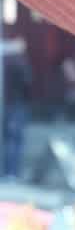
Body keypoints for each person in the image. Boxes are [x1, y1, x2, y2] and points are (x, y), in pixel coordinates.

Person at [2, 36, 32, 180]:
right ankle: (12, 172)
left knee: (9, 139)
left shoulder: (5, 63)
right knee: (14, 139)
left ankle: (8, 171)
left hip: (8, 103)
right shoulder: (19, 63)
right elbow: (27, 83)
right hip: (16, 104)